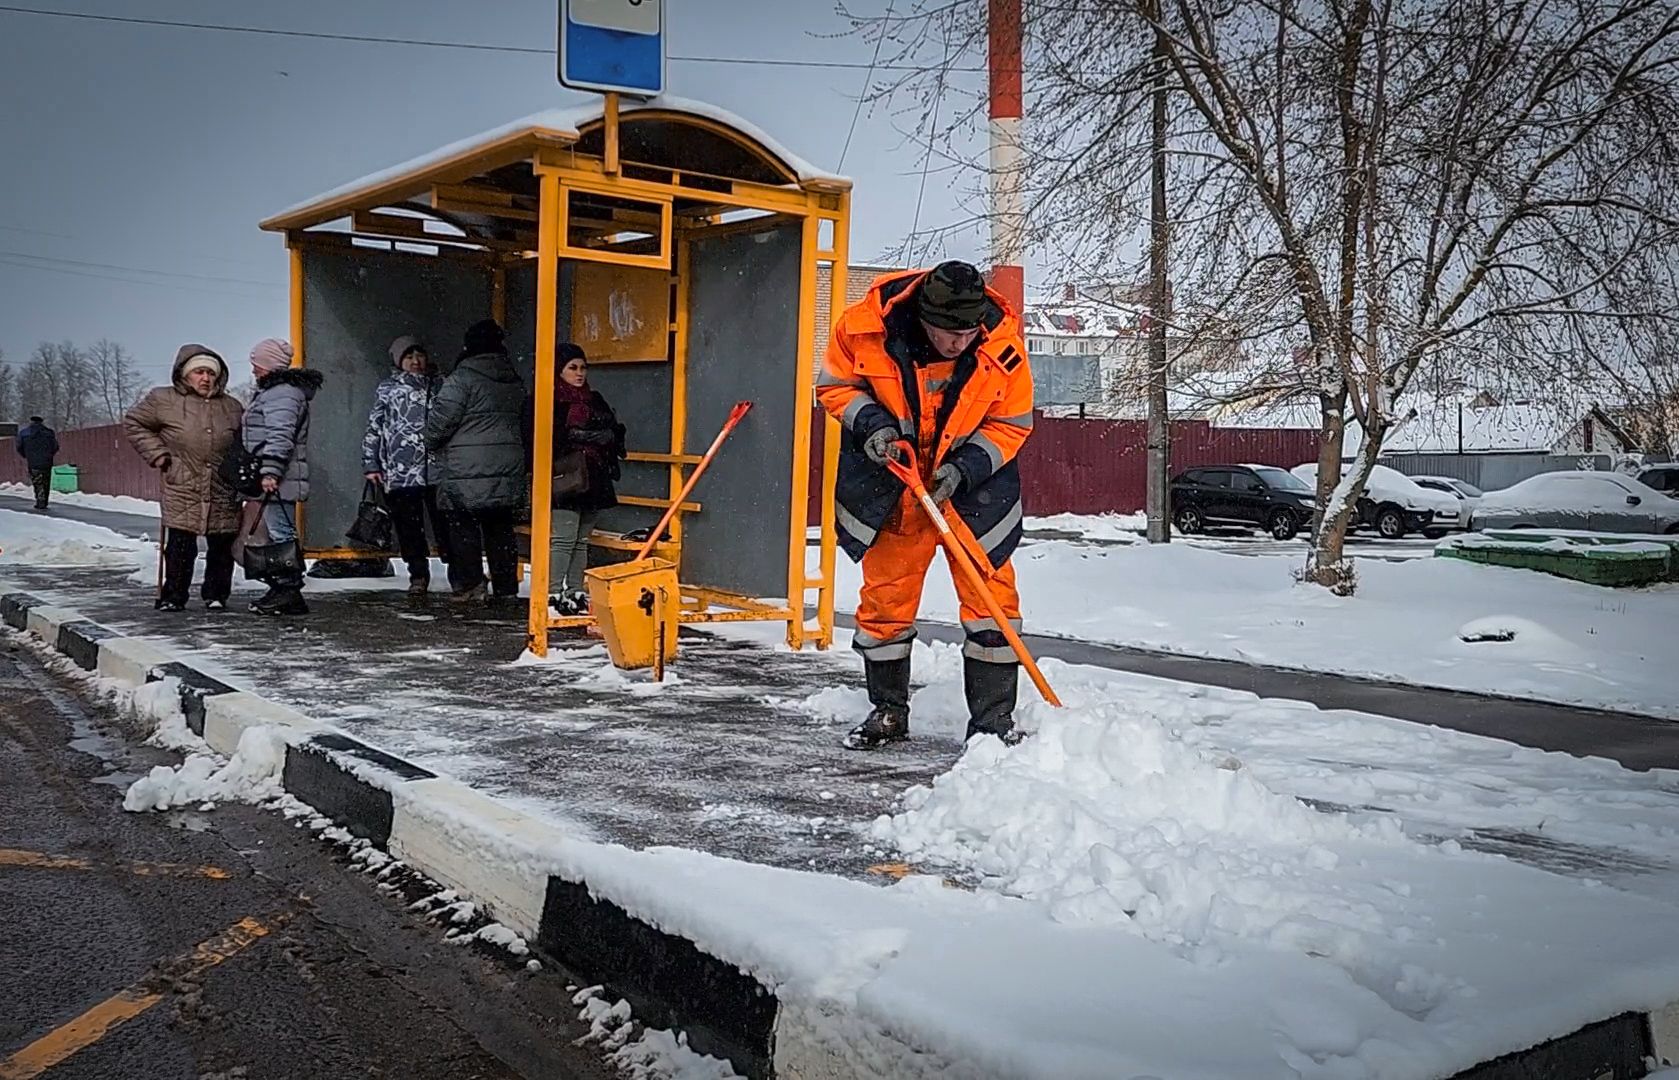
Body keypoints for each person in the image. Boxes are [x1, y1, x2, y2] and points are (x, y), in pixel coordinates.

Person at [816, 260, 1035, 750]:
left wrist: (965, 469)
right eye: (949, 334)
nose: (960, 343)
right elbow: (833, 387)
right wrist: (873, 425)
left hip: (972, 495)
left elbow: (1012, 424)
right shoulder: (863, 330)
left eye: (968, 332)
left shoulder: (1003, 346)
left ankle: (993, 723)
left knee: (992, 604)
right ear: (922, 317)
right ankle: (888, 711)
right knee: (885, 603)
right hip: (896, 487)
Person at [123, 345, 245, 611]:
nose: (206, 378)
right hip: (182, 481)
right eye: (199, 372)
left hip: (221, 484)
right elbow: (134, 423)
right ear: (185, 375)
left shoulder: (232, 406)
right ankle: (173, 596)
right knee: (180, 544)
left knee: (222, 544)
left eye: (211, 373)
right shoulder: (162, 399)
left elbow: (243, 440)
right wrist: (158, 454)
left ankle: (216, 595)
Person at [424, 319, 525, 605]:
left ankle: (471, 585)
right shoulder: (513, 377)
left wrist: (431, 440)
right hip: (506, 467)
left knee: (463, 526)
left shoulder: (461, 379)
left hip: (466, 469)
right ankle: (506, 588)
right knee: (500, 528)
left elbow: (439, 425)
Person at [523, 343, 625, 613]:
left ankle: (575, 589)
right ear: (559, 370)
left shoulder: (594, 399)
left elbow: (614, 431)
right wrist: (577, 437)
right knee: (564, 537)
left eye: (583, 368)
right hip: (564, 478)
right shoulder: (545, 400)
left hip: (593, 478)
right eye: (573, 368)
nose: (579, 373)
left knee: (581, 539)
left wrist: (603, 437)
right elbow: (537, 438)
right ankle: (553, 591)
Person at [363, 334, 451, 599]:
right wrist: (371, 463)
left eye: (419, 355)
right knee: (409, 528)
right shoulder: (388, 388)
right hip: (401, 471)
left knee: (446, 524)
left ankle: (459, 571)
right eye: (409, 356)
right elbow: (374, 427)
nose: (415, 361)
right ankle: (418, 575)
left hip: (437, 470)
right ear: (399, 361)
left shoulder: (440, 385)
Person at [242, 337, 322, 616]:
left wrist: (270, 471)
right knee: (279, 532)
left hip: (280, 476)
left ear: (269, 364)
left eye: (256, 364)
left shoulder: (282, 393)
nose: (253, 370)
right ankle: (284, 590)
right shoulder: (278, 391)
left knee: (281, 534)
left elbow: (280, 435)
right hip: (279, 474)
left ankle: (288, 591)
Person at [14, 415, 58, 510]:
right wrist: (49, 455)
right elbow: (55, 447)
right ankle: (44, 500)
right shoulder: (49, 432)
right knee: (46, 481)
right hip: (47, 461)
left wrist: (26, 455)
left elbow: (19, 447)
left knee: (37, 481)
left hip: (33, 461)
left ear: (31, 422)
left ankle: (39, 500)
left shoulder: (24, 433)